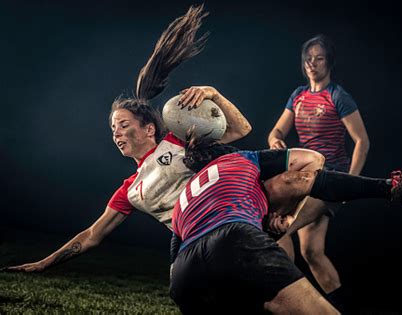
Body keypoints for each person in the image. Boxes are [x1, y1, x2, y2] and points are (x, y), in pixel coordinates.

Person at [3, 5, 254, 273]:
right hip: (198, 240)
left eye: (123, 125)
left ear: (149, 129)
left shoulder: (178, 140)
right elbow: (92, 236)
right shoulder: (131, 190)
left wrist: (212, 93)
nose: (116, 133)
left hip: (235, 218)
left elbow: (240, 130)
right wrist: (43, 263)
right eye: (113, 128)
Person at [168, 137, 402, 314]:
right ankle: (389, 187)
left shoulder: (184, 197)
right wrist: (289, 214)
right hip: (235, 240)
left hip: (184, 276)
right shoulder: (242, 159)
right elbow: (313, 159)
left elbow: (174, 255)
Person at [267, 34, 370, 308]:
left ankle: (287, 301)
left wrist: (349, 182)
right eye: (308, 58)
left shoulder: (338, 96)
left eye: (319, 58)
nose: (312, 63)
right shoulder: (298, 96)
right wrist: (276, 141)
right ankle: (343, 309)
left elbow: (362, 140)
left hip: (327, 181)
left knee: (280, 230)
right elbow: (276, 131)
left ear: (329, 63)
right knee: (312, 252)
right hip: (304, 178)